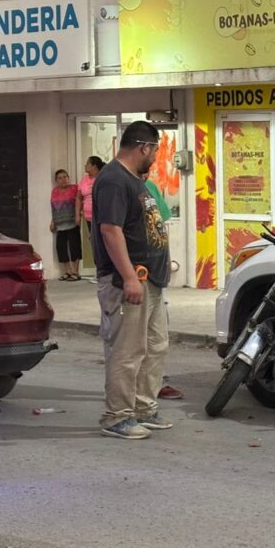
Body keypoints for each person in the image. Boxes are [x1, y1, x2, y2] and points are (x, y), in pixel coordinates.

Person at [92, 122, 173, 439]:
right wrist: (129, 277)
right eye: (155, 150)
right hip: (127, 281)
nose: (154, 157)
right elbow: (110, 230)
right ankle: (118, 416)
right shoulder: (113, 180)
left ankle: (143, 408)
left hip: (150, 280)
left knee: (154, 347)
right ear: (144, 147)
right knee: (127, 351)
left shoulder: (133, 180)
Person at [139, 164, 183, 402]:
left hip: (155, 274)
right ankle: (125, 400)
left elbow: (161, 225)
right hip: (134, 277)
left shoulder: (150, 188)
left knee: (157, 338)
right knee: (131, 342)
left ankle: (154, 385)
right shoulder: (119, 187)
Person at [50, 169, 82, 281]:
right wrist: (53, 221)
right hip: (60, 224)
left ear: (68, 178)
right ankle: (67, 271)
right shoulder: (54, 191)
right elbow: (53, 208)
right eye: (60, 178)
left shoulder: (75, 188)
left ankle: (75, 272)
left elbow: (80, 202)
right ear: (56, 180)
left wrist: (79, 215)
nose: (63, 179)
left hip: (72, 222)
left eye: (65, 177)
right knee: (61, 248)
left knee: (74, 246)